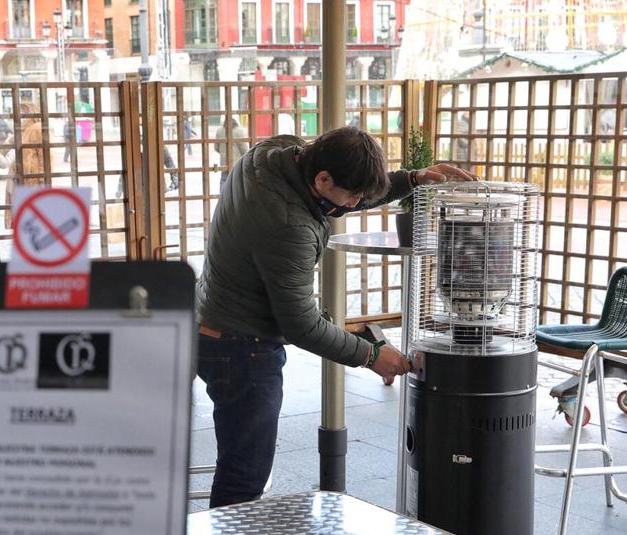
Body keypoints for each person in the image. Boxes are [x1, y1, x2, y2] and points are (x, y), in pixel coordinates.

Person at [196, 127, 473, 508]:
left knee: (240, 462)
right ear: (322, 178)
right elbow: (302, 325)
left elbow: (339, 197)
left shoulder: (276, 151)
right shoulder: (288, 226)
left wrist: (411, 179)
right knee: (243, 478)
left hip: (210, 324)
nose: (356, 204)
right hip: (244, 349)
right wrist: (371, 355)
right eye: (352, 196)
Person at [214, 118, 249, 186]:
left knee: (224, 180)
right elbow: (244, 149)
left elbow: (216, 148)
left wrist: (223, 153)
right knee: (236, 182)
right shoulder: (239, 131)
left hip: (224, 162)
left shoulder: (219, 130)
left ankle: (222, 195)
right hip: (237, 162)